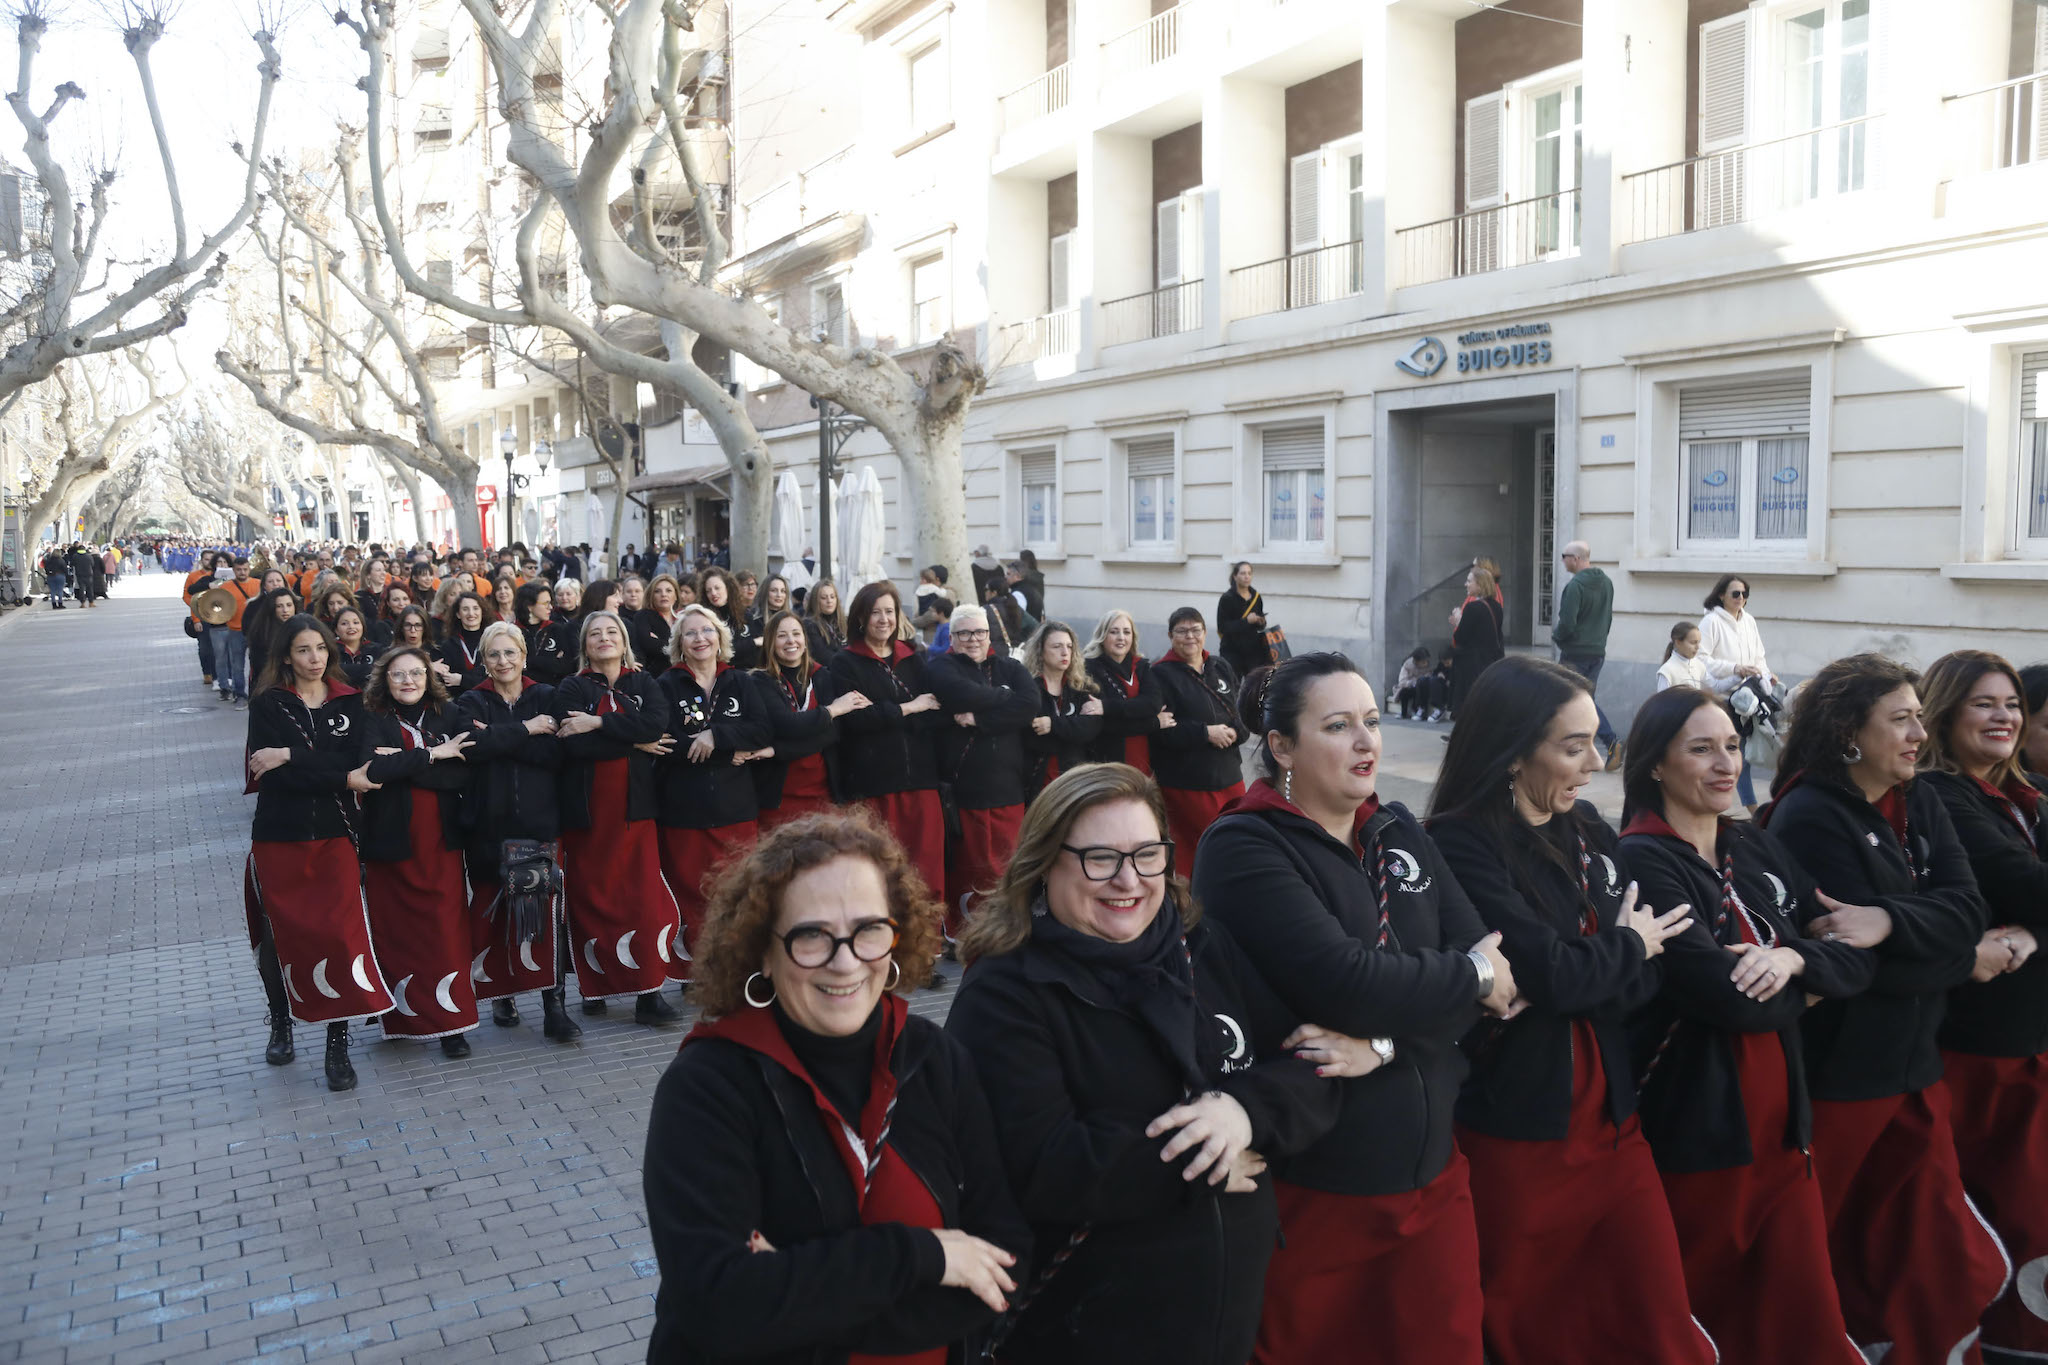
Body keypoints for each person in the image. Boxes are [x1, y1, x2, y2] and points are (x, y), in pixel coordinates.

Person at [946, 763, 1339, 1365]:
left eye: (1147, 854)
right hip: (1091, 1325)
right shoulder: (1005, 992)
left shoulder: (1201, 945)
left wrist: (1243, 1112)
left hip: (1228, 1306)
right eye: (1100, 858)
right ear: (1045, 861)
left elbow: (1307, 1058)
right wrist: (1199, 1159)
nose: (1127, 880)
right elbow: (1042, 1162)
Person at [1194, 653, 1518, 1365]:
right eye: (1338, 725)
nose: (1368, 740)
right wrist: (1463, 974)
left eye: (1371, 720)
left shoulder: (1398, 826)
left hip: (1434, 1180)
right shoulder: (1244, 843)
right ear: (1281, 746)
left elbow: (1501, 983)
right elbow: (1348, 982)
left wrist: (1385, 1046)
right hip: (1321, 1188)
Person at [643, 812, 1029, 1364]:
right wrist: (924, 1256)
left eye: (868, 930)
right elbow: (719, 1306)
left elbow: (1006, 1261)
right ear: (762, 951)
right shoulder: (707, 1088)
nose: (845, 961)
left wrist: (796, 1297)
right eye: (812, 936)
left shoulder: (933, 1058)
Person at [1425, 655, 1711, 1365]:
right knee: (1529, 1326)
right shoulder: (1459, 838)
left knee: (1656, 1317)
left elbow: (1640, 971)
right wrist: (1621, 948)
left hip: (1614, 1126)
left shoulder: (1586, 827)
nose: (1595, 762)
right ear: (1515, 750)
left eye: (1598, 739)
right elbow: (1551, 970)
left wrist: (1605, 960)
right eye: (1573, 744)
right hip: (1517, 1131)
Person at [1616, 687, 1876, 1365]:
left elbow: (1855, 954)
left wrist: (1792, 958)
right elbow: (1723, 998)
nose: (1724, 762)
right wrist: (1813, 985)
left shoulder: (1753, 845)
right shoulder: (1643, 860)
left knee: (1797, 1314)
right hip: (1700, 1132)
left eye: (1731, 744)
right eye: (1701, 748)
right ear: (1655, 765)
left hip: (1786, 1131)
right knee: (1703, 1318)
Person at [1761, 653, 2006, 1362]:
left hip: (1914, 1068)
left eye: (1919, 719)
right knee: (1828, 1249)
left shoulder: (1922, 796)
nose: (1917, 735)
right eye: (1899, 720)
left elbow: (1968, 906)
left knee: (1934, 1251)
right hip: (1842, 1079)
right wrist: (1951, 953)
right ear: (1849, 734)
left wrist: (1890, 922)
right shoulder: (1808, 814)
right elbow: (1851, 965)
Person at [1915, 650, 2048, 1361]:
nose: (2004, 717)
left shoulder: (2024, 796)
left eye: (2011, 705)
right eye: (1984, 704)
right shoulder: (1941, 794)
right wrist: (2033, 916)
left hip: (2026, 1040)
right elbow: (2024, 885)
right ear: (1944, 713)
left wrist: (2032, 931)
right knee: (1996, 1212)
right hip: (1975, 1047)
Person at [242, 616, 389, 1092]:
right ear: (287, 656)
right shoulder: (269, 704)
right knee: (278, 934)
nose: (314, 658)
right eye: (303, 650)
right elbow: (271, 775)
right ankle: (281, 1023)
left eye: (321, 649)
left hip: (336, 833)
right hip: (279, 835)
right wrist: (318, 770)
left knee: (339, 938)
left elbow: (354, 765)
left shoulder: (350, 702)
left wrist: (291, 755)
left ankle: (337, 1044)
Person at [552, 610, 686, 1026]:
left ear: (624, 640)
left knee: (642, 901)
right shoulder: (571, 687)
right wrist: (634, 742)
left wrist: (597, 723)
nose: (604, 638)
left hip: (636, 810)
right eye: (596, 634)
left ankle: (649, 993)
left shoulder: (644, 682)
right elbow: (574, 747)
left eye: (612, 632)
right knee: (593, 900)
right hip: (588, 814)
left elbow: (656, 723)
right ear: (585, 645)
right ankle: (597, 987)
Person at [450, 621, 576, 1041]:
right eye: (493, 654)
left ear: (523, 655)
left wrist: (501, 739)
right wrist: (526, 729)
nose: (503, 661)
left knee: (541, 917)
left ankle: (553, 1004)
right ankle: (501, 994)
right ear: (483, 661)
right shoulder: (471, 700)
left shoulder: (546, 695)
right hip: (486, 827)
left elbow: (555, 753)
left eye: (510, 653)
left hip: (537, 825)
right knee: (495, 913)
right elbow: (472, 747)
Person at [356, 647, 478, 1057]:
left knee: (445, 930)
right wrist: (433, 754)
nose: (408, 681)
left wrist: (404, 764)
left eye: (416, 673)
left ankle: (452, 1024)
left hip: (441, 842)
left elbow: (462, 770)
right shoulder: (372, 717)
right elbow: (371, 771)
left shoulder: (449, 714)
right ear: (384, 680)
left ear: (429, 677)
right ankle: (405, 1019)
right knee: (399, 931)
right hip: (390, 841)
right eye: (398, 675)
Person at [654, 604, 769, 970]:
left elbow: (762, 730)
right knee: (691, 892)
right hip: (684, 811)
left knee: (738, 889)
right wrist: (728, 752)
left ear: (720, 637)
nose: (700, 638)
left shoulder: (741, 681)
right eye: (690, 633)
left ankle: (738, 966)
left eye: (706, 631)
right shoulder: (665, 684)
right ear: (680, 643)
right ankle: (696, 968)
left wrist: (715, 734)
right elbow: (667, 743)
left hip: (736, 809)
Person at [830, 582, 947, 901]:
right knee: (879, 869)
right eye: (875, 613)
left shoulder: (915, 658)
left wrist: (884, 713)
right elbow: (855, 720)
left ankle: (927, 943)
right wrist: (908, 708)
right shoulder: (845, 663)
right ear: (861, 618)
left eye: (890, 612)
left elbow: (934, 710)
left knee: (926, 866)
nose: (884, 619)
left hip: (921, 779)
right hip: (873, 784)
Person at [928, 604, 1040, 930]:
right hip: (965, 790)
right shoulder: (941, 667)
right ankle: (965, 933)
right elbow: (957, 692)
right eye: (964, 633)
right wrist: (1006, 698)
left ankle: (1006, 929)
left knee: (1008, 866)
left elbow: (1030, 703)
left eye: (979, 632)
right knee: (970, 869)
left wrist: (978, 718)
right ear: (953, 637)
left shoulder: (1010, 667)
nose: (973, 639)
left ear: (989, 634)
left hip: (1008, 786)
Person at [748, 609, 871, 829]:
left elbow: (833, 733)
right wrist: (832, 711)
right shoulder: (760, 680)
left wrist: (778, 750)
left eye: (796, 633)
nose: (791, 641)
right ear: (770, 642)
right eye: (781, 635)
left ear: (805, 639)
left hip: (822, 792)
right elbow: (787, 725)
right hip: (779, 797)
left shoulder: (822, 675)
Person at [1149, 607, 1248, 876]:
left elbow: (1241, 714)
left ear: (1205, 633)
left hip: (1231, 779)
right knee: (1199, 855)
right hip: (1187, 784)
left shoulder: (1220, 666)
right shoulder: (1159, 675)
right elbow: (1163, 732)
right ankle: (1195, 911)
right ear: (1171, 636)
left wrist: (1236, 731)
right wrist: (1206, 733)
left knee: (1239, 846)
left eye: (1195, 630)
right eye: (1182, 631)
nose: (1189, 636)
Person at [1698, 575, 1779, 810]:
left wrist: (1766, 674)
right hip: (1725, 697)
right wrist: (1735, 669)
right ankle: (1750, 808)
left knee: (1744, 752)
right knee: (1736, 752)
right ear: (1722, 595)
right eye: (1735, 593)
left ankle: (1748, 806)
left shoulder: (1749, 621)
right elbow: (1702, 659)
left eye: (1744, 594)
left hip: (1751, 697)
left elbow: (1759, 656)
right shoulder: (1711, 621)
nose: (1740, 598)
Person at [1552, 541, 1619, 769]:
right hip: (1597, 651)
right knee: (1583, 700)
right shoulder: (1607, 583)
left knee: (1575, 700)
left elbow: (1567, 624)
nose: (1562, 560)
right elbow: (1608, 619)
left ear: (1576, 558)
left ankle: (1609, 742)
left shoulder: (1575, 586)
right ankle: (1582, 747)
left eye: (1564, 556)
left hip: (1575, 653)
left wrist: (1558, 638)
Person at [1083, 608, 1173, 773]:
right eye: (1114, 632)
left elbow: (1153, 704)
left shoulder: (1141, 666)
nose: (1121, 638)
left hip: (1144, 760)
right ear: (1102, 636)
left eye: (1126, 632)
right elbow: (1106, 725)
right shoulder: (1090, 668)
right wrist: (1154, 722)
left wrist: (1107, 707)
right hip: (1109, 763)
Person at [1022, 620, 1101, 794]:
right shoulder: (1029, 689)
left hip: (1075, 781)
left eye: (1069, 646)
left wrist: (1052, 725)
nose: (1065, 652)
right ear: (1041, 652)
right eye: (1057, 646)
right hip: (1037, 783)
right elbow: (1032, 737)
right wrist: (1071, 729)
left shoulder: (1082, 689)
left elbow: (1089, 729)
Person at [1447, 566, 1503, 716]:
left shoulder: (1472, 608)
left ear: (1480, 584)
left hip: (1470, 665)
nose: (1466, 584)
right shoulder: (1497, 606)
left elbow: (1460, 637)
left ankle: (1464, 736)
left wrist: (1459, 620)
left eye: (1469, 581)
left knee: (1469, 706)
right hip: (1489, 662)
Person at [211, 558, 263, 707]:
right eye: (239, 570)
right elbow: (217, 606)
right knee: (237, 665)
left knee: (258, 663)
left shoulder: (257, 584)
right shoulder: (226, 587)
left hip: (255, 631)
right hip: (235, 630)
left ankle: (257, 694)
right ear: (233, 570)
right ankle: (240, 694)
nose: (242, 572)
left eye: (245, 569)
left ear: (249, 569)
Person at [1215, 561, 1270, 681]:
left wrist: (1261, 622)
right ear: (1235, 576)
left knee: (1255, 688)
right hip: (1232, 651)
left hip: (1253, 651)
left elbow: (1260, 626)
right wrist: (1246, 621)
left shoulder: (1256, 597)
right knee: (1233, 688)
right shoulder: (1227, 598)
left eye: (1249, 573)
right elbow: (1222, 627)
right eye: (1243, 573)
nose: (1247, 577)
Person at [698, 566, 761, 670]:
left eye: (717, 588)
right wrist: (753, 643)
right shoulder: (705, 619)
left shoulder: (745, 614)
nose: (713, 593)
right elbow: (720, 652)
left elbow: (754, 653)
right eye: (708, 590)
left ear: (727, 588)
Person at [435, 592, 490, 693]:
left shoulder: (492, 641)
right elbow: (446, 680)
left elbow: (492, 676)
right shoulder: (448, 645)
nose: (471, 613)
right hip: (459, 702)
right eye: (465, 609)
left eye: (475, 608)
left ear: (482, 611)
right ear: (458, 614)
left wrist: (462, 680)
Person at [633, 573, 685, 679]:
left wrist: (660, 642)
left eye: (668, 591)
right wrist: (679, 648)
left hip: (683, 674)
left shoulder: (684, 618)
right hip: (655, 676)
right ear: (651, 596)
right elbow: (647, 644)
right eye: (657, 591)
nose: (663, 594)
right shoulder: (643, 616)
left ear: (676, 596)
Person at [1393, 646, 1448, 721]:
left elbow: (1430, 675)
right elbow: (1402, 681)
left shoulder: (1429, 666)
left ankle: (1420, 710)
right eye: (1423, 662)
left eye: (1427, 661)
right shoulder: (1407, 666)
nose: (1426, 664)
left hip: (1424, 687)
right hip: (1410, 686)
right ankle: (1405, 712)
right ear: (1416, 661)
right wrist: (1414, 682)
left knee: (1422, 685)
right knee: (1404, 692)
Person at [803, 579, 847, 665]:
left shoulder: (843, 621)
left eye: (832, 597)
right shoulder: (809, 624)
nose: (829, 601)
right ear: (815, 601)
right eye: (824, 598)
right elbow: (823, 656)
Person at [1656, 622, 1708, 692]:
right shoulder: (1667, 671)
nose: (1698, 647)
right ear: (1678, 643)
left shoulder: (1700, 666)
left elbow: (1707, 692)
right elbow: (1663, 701)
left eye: (1699, 642)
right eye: (1693, 642)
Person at [331, 607, 377, 687]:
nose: (351, 627)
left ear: (363, 626)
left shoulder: (378, 650)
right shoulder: (330, 651)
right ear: (336, 630)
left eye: (356, 622)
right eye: (344, 623)